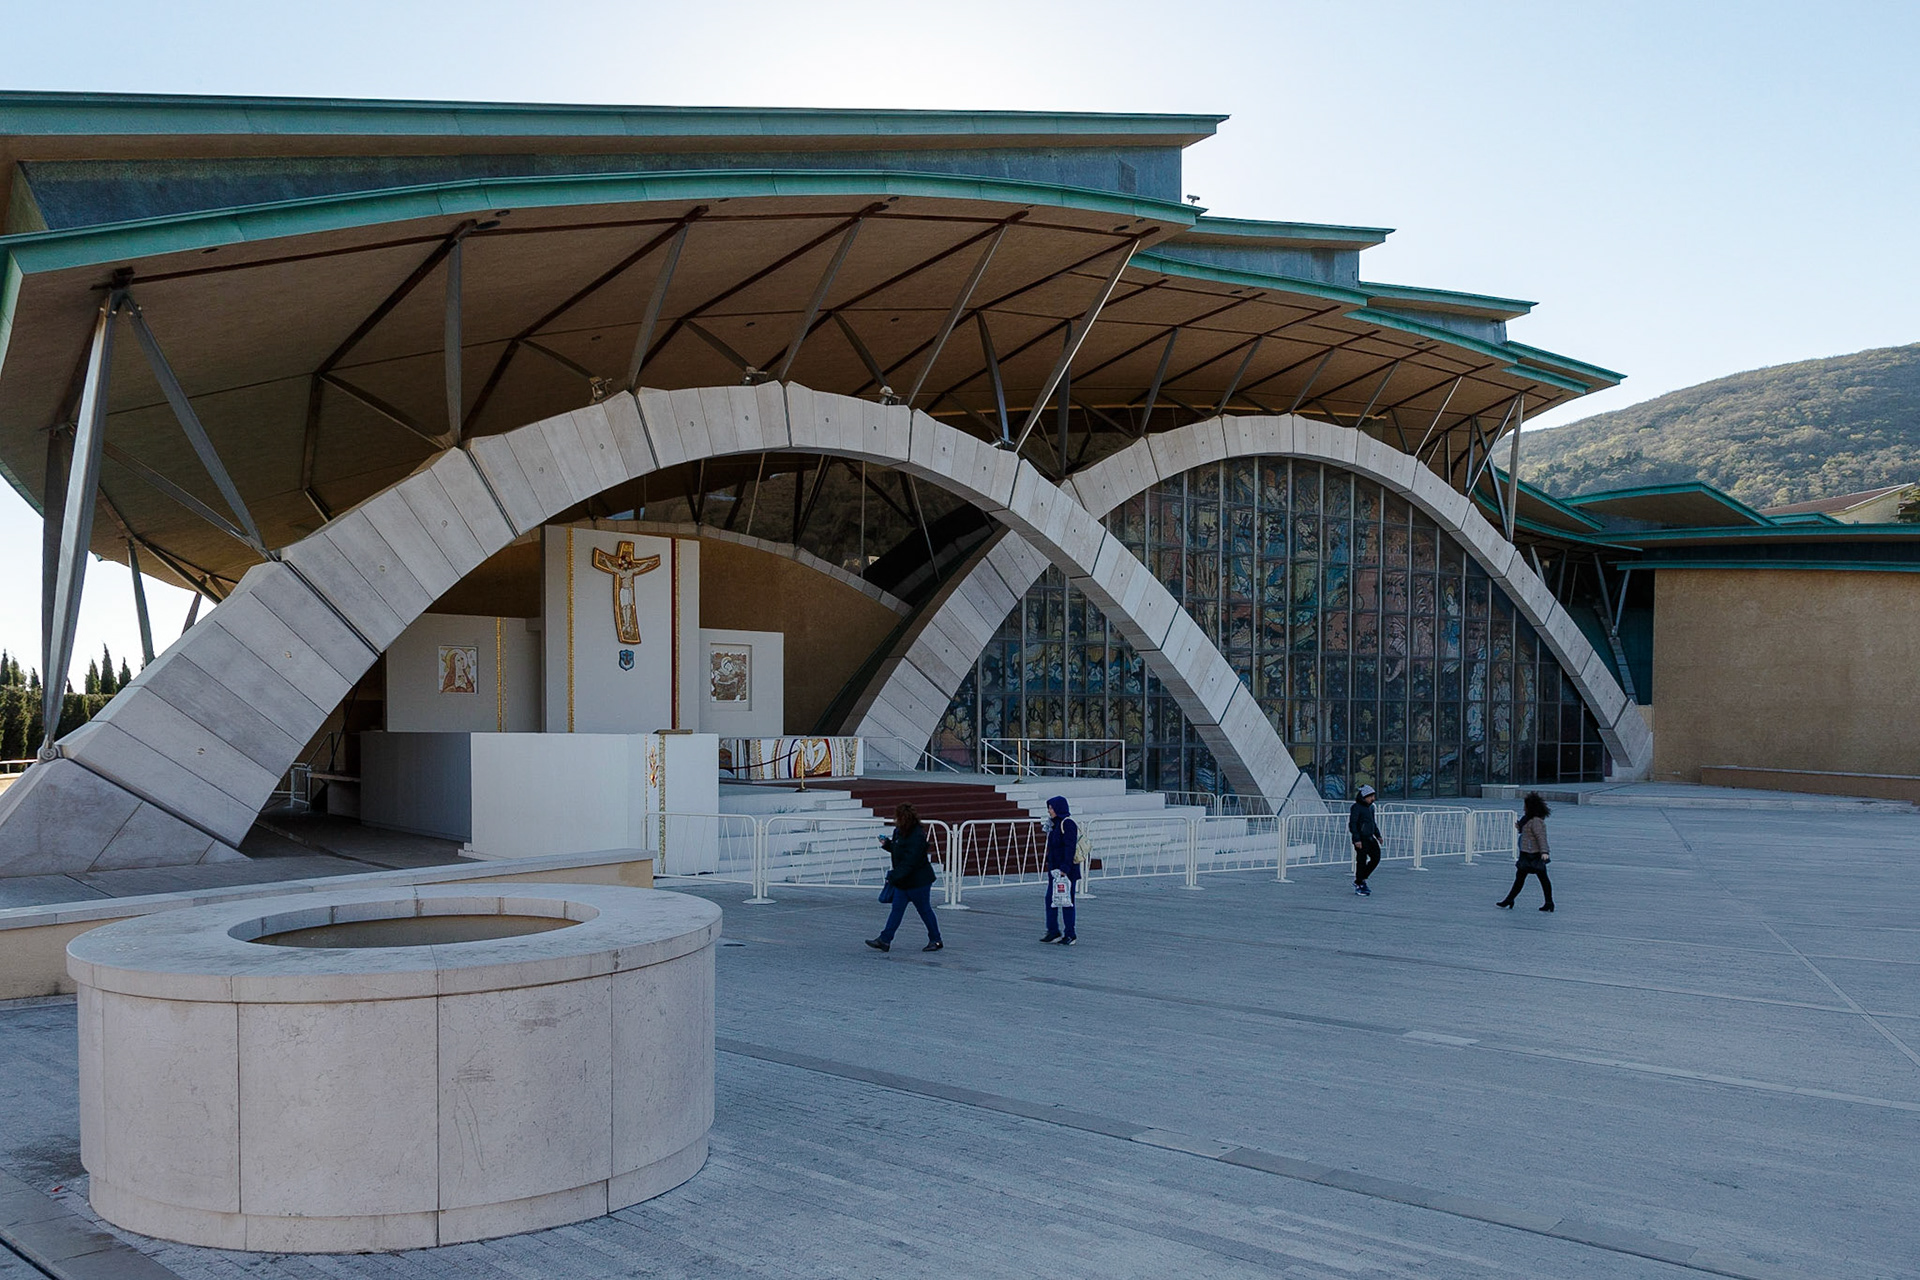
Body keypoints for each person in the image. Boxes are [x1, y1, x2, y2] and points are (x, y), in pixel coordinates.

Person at [867, 803, 943, 952]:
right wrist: (887, 844)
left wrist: (893, 876)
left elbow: (910, 861)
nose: (895, 820)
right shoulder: (899, 832)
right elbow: (899, 851)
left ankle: (936, 939)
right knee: (897, 910)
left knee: (924, 910)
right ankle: (885, 940)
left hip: (918, 881)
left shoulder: (916, 835)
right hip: (904, 881)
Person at [1498, 792, 1555, 912]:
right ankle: (1510, 899)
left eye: (1526, 805)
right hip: (1526, 853)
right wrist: (1519, 827)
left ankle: (1549, 902)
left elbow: (1541, 837)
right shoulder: (1527, 819)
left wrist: (1544, 852)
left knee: (1542, 879)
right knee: (1521, 878)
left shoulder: (1536, 821)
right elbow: (1527, 833)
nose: (1524, 808)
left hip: (1534, 854)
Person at [1040, 795, 1080, 944]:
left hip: (1066, 870)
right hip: (1055, 870)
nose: (1049, 811)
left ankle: (1070, 933)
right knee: (1050, 899)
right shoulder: (1054, 824)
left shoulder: (1067, 823)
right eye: (1049, 808)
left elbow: (1070, 847)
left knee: (1067, 901)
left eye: (1051, 808)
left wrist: (1065, 867)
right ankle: (1053, 931)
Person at [1349, 783, 1381, 896]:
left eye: (1373, 796)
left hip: (1370, 837)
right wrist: (1356, 839)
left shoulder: (1371, 808)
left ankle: (1361, 879)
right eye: (1370, 796)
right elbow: (1353, 824)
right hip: (1361, 839)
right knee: (1361, 861)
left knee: (1376, 857)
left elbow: (1373, 823)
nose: (1373, 799)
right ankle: (1360, 883)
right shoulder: (1356, 807)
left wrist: (1378, 835)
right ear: (1364, 797)